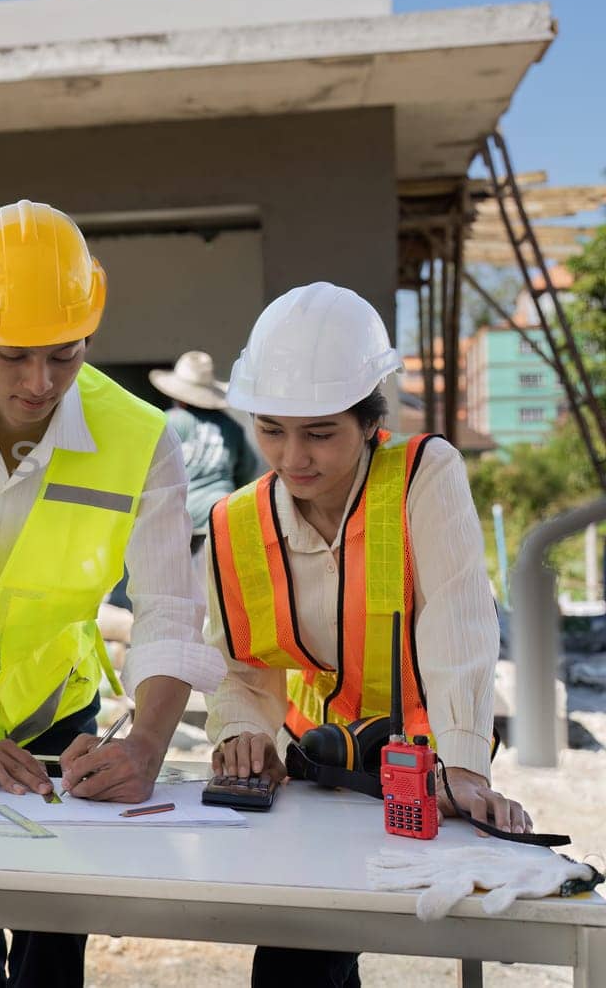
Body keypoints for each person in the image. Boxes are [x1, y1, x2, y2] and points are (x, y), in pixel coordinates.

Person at [0, 200, 225, 988]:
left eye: (65, 355)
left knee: (55, 939)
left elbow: (169, 604)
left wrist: (148, 748)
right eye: (15, 356)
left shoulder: (140, 436)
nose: (40, 382)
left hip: (60, 711)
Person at [203, 281, 531, 988]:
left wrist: (466, 764)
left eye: (320, 432)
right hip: (317, 765)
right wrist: (240, 735)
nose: (294, 457)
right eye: (272, 429)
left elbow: (460, 619)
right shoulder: (234, 523)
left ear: (368, 418)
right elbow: (243, 667)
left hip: (428, 762)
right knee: (301, 948)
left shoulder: (421, 476)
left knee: (364, 939)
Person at [148, 350, 261, 553]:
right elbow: (247, 470)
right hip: (223, 515)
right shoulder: (231, 427)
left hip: (180, 517)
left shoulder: (170, 421)